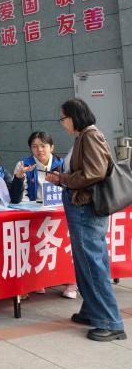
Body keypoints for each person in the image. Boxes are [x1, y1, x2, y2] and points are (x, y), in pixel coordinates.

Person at [46, 98, 126, 341]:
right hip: (82, 206)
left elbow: (94, 173)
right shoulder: (83, 136)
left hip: (85, 208)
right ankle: (92, 310)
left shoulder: (90, 136)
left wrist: (63, 179)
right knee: (87, 262)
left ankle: (110, 322)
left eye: (63, 118)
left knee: (92, 263)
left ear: (74, 117)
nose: (62, 123)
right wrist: (63, 178)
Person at [11, 131, 77, 299]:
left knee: (66, 245)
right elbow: (16, 198)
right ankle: (38, 280)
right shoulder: (24, 164)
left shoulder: (62, 164)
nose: (39, 150)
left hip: (59, 212)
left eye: (43, 146)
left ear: (52, 147)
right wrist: (19, 177)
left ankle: (71, 281)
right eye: (34, 146)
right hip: (33, 212)